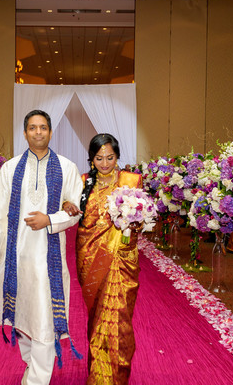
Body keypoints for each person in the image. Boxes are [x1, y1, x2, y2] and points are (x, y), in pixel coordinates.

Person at [0, 109, 84, 385]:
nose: (38, 132)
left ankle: (37, 379)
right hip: (13, 257)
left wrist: (49, 219)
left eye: (43, 128)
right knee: (21, 317)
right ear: (25, 132)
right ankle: (31, 365)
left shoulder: (66, 167)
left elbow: (76, 210)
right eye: (33, 128)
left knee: (44, 319)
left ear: (50, 132)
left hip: (47, 260)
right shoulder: (10, 168)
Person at [73, 133, 143, 384]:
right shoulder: (82, 181)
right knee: (98, 314)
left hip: (121, 256)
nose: (105, 163)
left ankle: (116, 375)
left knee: (119, 314)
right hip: (90, 255)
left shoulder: (131, 181)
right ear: (91, 159)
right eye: (99, 158)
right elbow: (75, 216)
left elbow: (142, 218)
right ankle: (99, 374)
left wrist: (134, 222)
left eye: (110, 157)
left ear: (118, 156)